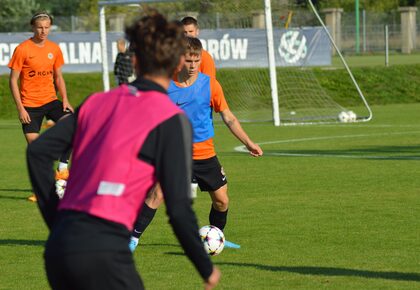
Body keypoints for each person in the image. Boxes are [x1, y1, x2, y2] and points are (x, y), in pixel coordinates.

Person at [26, 12, 220, 290]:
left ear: (135, 61)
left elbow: (38, 152)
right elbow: (178, 208)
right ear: (178, 62)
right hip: (104, 247)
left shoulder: (96, 102)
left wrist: (55, 217)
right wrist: (205, 266)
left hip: (60, 246)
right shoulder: (170, 118)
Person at [129, 37, 263, 252]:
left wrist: (248, 142)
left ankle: (215, 236)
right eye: (188, 60)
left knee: (222, 201)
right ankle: (132, 239)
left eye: (196, 60)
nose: (192, 66)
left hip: (205, 154)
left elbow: (228, 117)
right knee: (157, 194)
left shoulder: (210, 84)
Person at [8, 11, 73, 202]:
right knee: (37, 151)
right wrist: (20, 108)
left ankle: (62, 171)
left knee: (74, 126)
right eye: (40, 27)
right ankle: (41, 190)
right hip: (30, 105)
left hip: (51, 101)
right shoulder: (22, 49)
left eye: (47, 27)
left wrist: (66, 100)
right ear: (33, 27)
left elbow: (59, 77)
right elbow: (13, 81)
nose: (43, 31)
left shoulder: (54, 48)